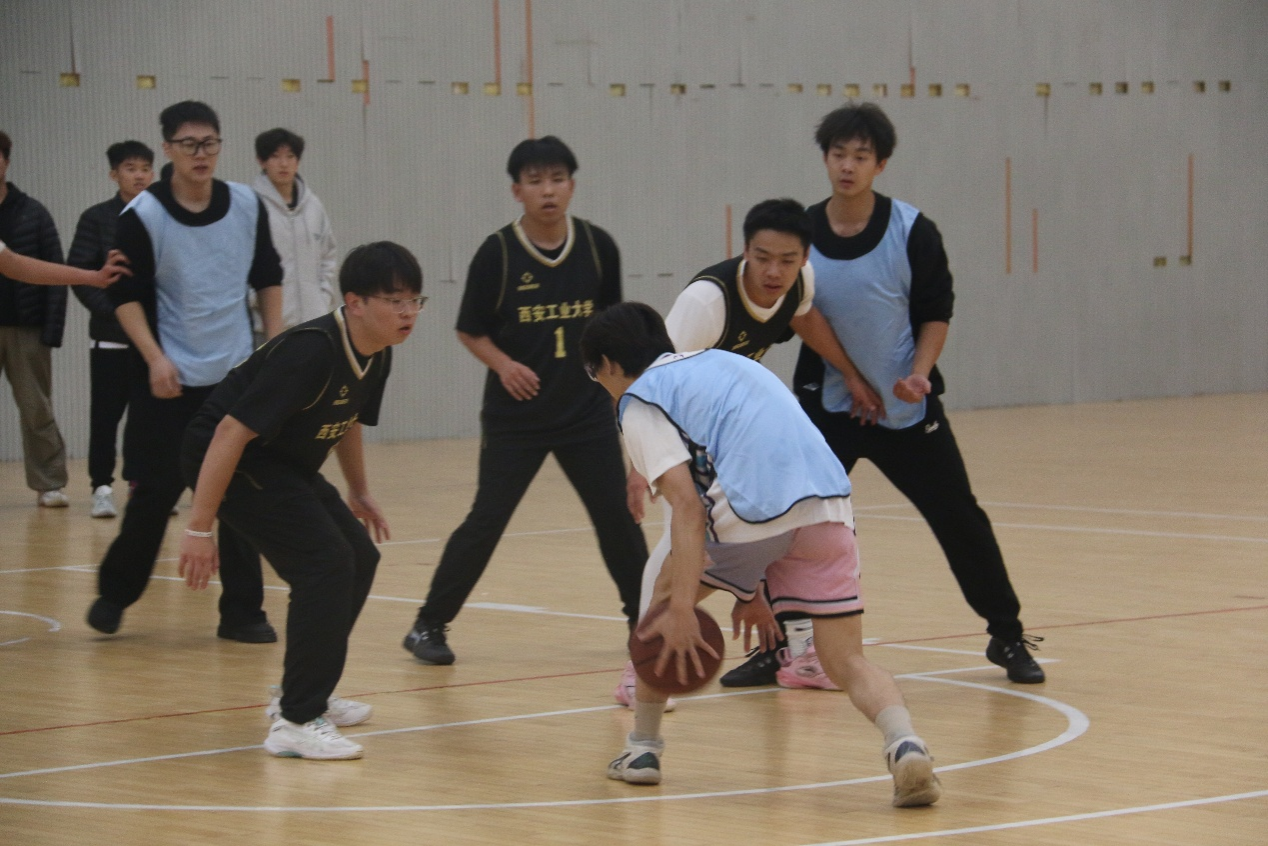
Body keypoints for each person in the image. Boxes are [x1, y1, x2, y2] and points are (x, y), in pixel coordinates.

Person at [580, 302, 941, 808]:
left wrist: (678, 607)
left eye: (593, 373)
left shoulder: (639, 401)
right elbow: (764, 460)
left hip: (753, 513)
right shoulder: (728, 362)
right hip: (828, 505)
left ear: (608, 365)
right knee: (846, 660)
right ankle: (905, 743)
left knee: (659, 602)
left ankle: (642, 750)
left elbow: (688, 507)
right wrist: (750, 591)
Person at [751, 102, 1042, 686]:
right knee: (785, 521)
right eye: (838, 154)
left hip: (905, 410)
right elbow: (797, 311)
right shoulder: (801, 234)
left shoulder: (913, 230)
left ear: (880, 164)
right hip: (831, 406)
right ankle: (780, 646)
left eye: (860, 156)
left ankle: (1007, 634)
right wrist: (853, 376)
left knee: (959, 517)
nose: (847, 166)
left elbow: (936, 311)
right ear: (825, 159)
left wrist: (919, 373)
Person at [401, 136, 647, 665]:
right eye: (535, 182)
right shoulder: (498, 253)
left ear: (572, 186)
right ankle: (428, 625)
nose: (548, 191)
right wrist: (504, 364)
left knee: (617, 518)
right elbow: (469, 329)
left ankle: (643, 621)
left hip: (584, 413)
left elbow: (614, 332)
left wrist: (620, 410)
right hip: (517, 419)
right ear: (517, 191)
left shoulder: (599, 247)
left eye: (557, 179)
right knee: (486, 519)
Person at [616, 198, 870, 703]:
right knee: (676, 549)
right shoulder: (705, 304)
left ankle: (803, 653)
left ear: (804, 258)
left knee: (790, 531)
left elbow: (804, 318)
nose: (775, 271)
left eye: (787, 260)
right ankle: (641, 669)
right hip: (692, 440)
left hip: (747, 439)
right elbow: (650, 384)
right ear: (744, 252)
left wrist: (850, 372)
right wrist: (640, 467)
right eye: (763, 258)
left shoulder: (799, 283)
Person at [179, 241, 421, 760]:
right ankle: (296, 719)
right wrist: (199, 527)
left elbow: (349, 419)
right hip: (233, 458)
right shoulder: (310, 350)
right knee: (325, 564)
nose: (408, 312)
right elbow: (228, 432)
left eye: (415, 301)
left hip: (282, 462)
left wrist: (359, 490)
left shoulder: (377, 353)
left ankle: (305, 690)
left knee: (358, 557)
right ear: (355, 302)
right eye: (395, 301)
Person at [87, 100, 283, 643]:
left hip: (235, 374)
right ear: (168, 149)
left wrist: (271, 347)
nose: (201, 154)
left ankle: (243, 613)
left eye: (210, 143)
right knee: (153, 492)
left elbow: (268, 277)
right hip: (169, 377)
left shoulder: (247, 204)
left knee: (239, 494)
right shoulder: (143, 215)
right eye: (189, 144)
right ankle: (115, 594)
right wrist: (155, 358)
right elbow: (124, 295)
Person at [68, 140, 156, 518]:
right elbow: (81, 275)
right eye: (130, 168)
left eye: (145, 168)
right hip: (110, 337)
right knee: (105, 416)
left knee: (146, 417)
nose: (139, 176)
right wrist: (117, 312)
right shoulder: (96, 218)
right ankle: (101, 487)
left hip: (153, 340)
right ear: (114, 174)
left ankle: (140, 483)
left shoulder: (161, 215)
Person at [0, 130, 73, 508]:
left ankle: (49, 482)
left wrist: (52, 329)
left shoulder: (32, 212)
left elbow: (54, 270)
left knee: (36, 407)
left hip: (25, 326)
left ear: (6, 161)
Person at [251, 128, 338, 330]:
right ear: (261, 161)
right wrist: (256, 300)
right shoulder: (251, 205)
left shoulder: (314, 206)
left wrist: (323, 298)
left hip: (312, 324)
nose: (284, 164)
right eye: (275, 156)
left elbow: (328, 255)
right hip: (267, 326)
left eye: (290, 157)